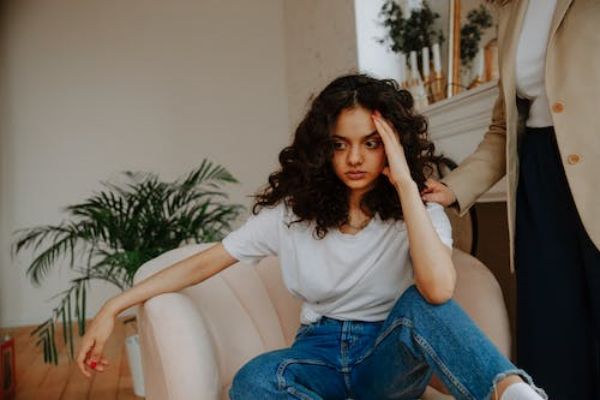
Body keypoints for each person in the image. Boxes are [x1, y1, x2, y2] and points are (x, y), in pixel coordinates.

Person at [76, 74, 546, 399]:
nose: (355, 158)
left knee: (422, 304)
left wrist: (405, 185)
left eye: (371, 143)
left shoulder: (419, 211)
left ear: (393, 147)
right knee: (253, 380)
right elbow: (205, 262)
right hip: (317, 354)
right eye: (340, 145)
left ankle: (513, 393)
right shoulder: (292, 215)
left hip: (387, 361)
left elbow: (438, 291)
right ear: (323, 149)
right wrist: (113, 306)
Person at [421, 1, 600, 398]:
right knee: (555, 336)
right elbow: (504, 127)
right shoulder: (512, 10)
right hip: (538, 178)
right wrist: (453, 187)